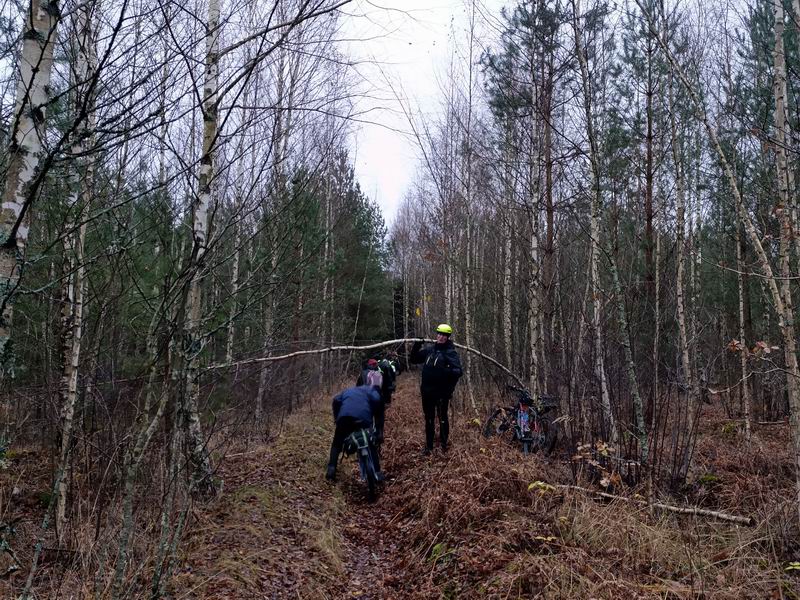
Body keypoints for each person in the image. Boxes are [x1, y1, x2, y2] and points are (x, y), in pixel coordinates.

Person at [410, 323, 463, 455]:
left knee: (442, 418)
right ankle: (429, 447)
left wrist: (444, 371)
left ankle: (444, 445)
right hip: (427, 392)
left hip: (441, 394)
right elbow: (414, 359)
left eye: (444, 335)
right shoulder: (430, 350)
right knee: (429, 419)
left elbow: (458, 371)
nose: (440, 337)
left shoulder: (450, 352)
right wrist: (417, 345)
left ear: (447, 337)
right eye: (439, 334)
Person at [326, 384, 384, 481]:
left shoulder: (348, 391)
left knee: (337, 443)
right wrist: (379, 430)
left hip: (345, 417)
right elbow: (378, 403)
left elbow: (336, 400)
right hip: (364, 417)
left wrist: (336, 419)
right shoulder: (372, 391)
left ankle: (331, 469)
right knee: (370, 441)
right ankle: (377, 472)